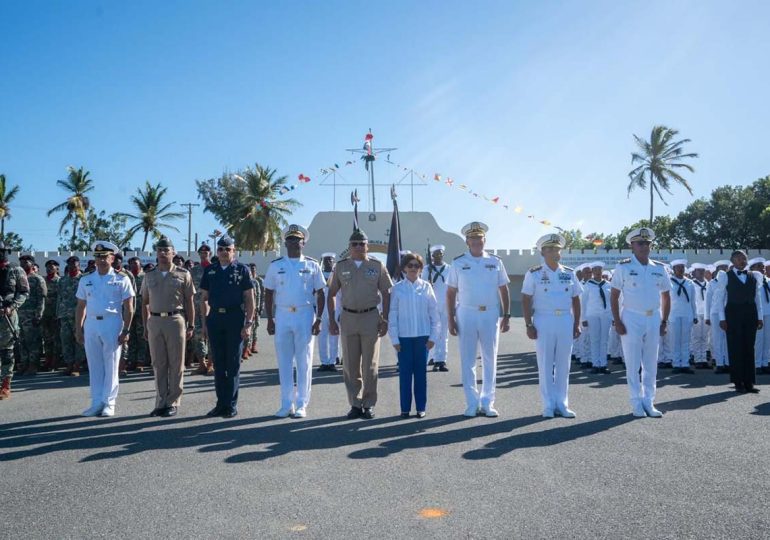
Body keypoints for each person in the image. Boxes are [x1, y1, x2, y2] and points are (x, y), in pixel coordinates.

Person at [447, 221, 511, 418]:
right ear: (467, 241)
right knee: (468, 359)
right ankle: (472, 403)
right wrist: (450, 318)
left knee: (490, 358)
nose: (476, 241)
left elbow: (504, 289)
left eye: (479, 238)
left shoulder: (495, 261)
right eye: (472, 238)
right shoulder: (458, 262)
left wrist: (506, 315)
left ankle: (488, 402)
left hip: (490, 313)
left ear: (485, 240)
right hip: (466, 313)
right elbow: (450, 292)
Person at [327, 228, 393, 420]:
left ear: (367, 245)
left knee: (370, 366)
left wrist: (385, 319)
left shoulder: (376, 265)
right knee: (350, 364)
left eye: (362, 243)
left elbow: (387, 293)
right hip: (348, 319)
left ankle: (369, 404)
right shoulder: (340, 266)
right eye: (354, 244)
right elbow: (331, 293)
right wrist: (332, 319)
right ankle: (355, 404)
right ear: (349, 247)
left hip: (370, 318)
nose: (358, 247)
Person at [263, 225, 325, 418]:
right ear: (285, 242)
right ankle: (286, 403)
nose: (294, 243)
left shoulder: (312, 265)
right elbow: (268, 292)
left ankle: (301, 404)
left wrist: (319, 318)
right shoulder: (276, 265)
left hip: (305, 314)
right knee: (284, 360)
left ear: (303, 243)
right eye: (290, 239)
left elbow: (321, 292)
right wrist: (270, 319)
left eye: (297, 239)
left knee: (304, 361)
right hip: (282, 315)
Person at [610, 227, 672, 418]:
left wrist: (664, 321)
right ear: (632, 246)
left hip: (653, 317)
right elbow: (614, 296)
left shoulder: (659, 268)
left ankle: (649, 401)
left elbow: (666, 296)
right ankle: (636, 402)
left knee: (651, 362)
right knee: (632, 362)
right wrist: (617, 321)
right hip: (631, 317)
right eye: (640, 243)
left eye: (647, 243)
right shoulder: (624, 267)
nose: (644, 246)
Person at [521, 234, 582, 418]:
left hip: (565, 319)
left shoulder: (569, 273)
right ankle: (548, 404)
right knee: (546, 363)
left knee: (564, 364)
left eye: (557, 249)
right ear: (543, 252)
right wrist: (528, 324)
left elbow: (576, 299)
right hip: (544, 319)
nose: (555, 252)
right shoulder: (534, 273)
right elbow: (525, 298)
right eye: (550, 249)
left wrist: (576, 323)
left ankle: (562, 403)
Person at [74, 241, 135, 417]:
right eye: (98, 256)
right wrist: (79, 329)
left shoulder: (121, 278)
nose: (101, 260)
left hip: (112, 322)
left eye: (104, 256)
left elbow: (129, 307)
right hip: (92, 323)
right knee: (94, 365)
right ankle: (96, 401)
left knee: (112, 364)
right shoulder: (86, 279)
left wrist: (126, 330)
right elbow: (80, 306)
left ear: (112, 258)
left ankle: (109, 403)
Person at [199, 236, 255, 418]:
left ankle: (231, 404)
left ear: (234, 250)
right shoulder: (211, 271)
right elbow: (204, 299)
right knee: (218, 362)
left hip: (234, 318)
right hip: (215, 318)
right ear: (217, 251)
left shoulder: (242, 270)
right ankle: (220, 403)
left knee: (232, 364)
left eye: (228, 249)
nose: (224, 252)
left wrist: (248, 323)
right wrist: (205, 323)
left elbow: (249, 298)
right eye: (221, 249)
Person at [141, 237, 195, 417]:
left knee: (176, 363)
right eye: (160, 250)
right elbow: (145, 303)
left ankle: (173, 402)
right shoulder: (149, 275)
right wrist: (145, 326)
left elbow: (189, 301)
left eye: (166, 250)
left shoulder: (183, 274)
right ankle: (160, 402)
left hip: (175, 320)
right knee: (158, 363)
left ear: (173, 253)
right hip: (155, 322)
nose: (163, 254)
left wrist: (191, 324)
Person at [389, 253, 439, 418]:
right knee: (404, 375)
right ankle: (404, 408)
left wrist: (433, 337)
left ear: (420, 269)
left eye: (416, 266)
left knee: (420, 375)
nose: (412, 268)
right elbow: (393, 315)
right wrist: (394, 339)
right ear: (404, 268)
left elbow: (434, 315)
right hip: (404, 339)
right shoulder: (397, 289)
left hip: (422, 338)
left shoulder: (426, 287)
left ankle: (420, 407)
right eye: (409, 265)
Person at [711, 250, 764, 393]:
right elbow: (720, 298)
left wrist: (760, 317)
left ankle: (749, 382)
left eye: (745, 258)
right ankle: (737, 382)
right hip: (733, 314)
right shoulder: (725, 276)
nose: (743, 261)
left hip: (750, 314)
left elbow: (757, 298)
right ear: (733, 261)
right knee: (735, 348)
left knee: (749, 347)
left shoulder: (754, 276)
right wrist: (722, 319)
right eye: (740, 258)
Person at [0, 241, 29, 400]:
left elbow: (24, 292)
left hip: (7, 316)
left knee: (6, 351)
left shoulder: (16, 270)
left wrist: (12, 307)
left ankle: (5, 384)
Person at [422, 245, 451, 372]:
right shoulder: (427, 269)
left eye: (440, 254)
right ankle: (433, 356)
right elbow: (422, 286)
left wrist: (454, 307)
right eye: (435, 255)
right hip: (431, 306)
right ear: (432, 256)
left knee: (443, 334)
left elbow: (454, 288)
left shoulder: (449, 269)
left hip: (445, 305)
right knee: (432, 333)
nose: (438, 257)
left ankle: (441, 360)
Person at [17, 255, 47, 376]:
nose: (23, 264)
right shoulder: (19, 278)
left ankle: (33, 364)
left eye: (26, 262)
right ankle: (24, 363)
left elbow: (41, 299)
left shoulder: (38, 279)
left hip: (31, 315)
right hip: (19, 315)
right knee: (21, 341)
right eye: (21, 262)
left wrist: (38, 315)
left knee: (32, 341)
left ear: (32, 264)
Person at [581, 261, 612, 374]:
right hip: (592, 315)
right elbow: (583, 303)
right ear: (592, 272)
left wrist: (613, 317)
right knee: (594, 339)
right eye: (596, 270)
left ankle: (603, 364)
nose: (598, 272)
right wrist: (583, 318)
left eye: (600, 269)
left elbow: (612, 302)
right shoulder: (587, 285)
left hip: (606, 315)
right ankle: (595, 364)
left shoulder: (608, 285)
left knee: (604, 340)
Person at [58, 255, 86, 376]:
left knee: (79, 340)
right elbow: (60, 298)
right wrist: (57, 314)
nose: (71, 267)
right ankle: (69, 364)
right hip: (64, 315)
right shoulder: (63, 280)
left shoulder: (84, 279)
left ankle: (77, 365)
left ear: (79, 265)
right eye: (69, 265)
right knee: (66, 340)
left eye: (74, 265)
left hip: (79, 316)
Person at [668, 259, 698, 374]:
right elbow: (664, 300)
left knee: (686, 340)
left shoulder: (690, 283)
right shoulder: (669, 282)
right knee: (675, 340)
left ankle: (685, 364)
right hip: (674, 314)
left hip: (687, 314)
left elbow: (693, 301)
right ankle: (676, 363)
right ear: (674, 269)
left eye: (682, 267)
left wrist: (694, 314)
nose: (681, 269)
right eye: (678, 267)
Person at [190, 243, 213, 375]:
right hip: (196, 307)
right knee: (197, 336)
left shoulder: (214, 269)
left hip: (211, 307)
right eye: (202, 253)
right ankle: (201, 364)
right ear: (199, 254)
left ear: (209, 254)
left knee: (211, 335)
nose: (204, 255)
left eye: (206, 253)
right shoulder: (193, 271)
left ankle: (210, 364)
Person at [706, 260, 731, 373]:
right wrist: (707, 316)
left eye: (725, 267)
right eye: (721, 267)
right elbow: (708, 301)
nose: (724, 269)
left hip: (728, 312)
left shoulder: (730, 281)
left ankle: (728, 363)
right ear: (716, 270)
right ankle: (720, 363)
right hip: (715, 313)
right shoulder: (712, 283)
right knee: (717, 338)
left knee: (727, 339)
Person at [317, 253, 340, 371]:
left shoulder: (337, 275)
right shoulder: (318, 275)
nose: (328, 262)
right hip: (321, 312)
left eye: (330, 260)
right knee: (322, 337)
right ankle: (324, 362)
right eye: (326, 260)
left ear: (334, 261)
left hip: (335, 310)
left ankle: (332, 361)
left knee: (334, 336)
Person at [127, 256, 148, 372]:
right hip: (130, 312)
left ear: (140, 265)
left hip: (141, 311)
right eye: (132, 264)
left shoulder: (145, 277)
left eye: (136, 264)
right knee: (131, 337)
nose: (134, 266)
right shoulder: (127, 278)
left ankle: (140, 361)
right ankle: (131, 360)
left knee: (141, 336)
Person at [41, 259, 61, 371]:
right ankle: (47, 361)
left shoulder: (59, 281)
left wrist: (57, 314)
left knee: (55, 340)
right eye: (48, 267)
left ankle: (55, 362)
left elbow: (61, 298)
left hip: (55, 314)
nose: (49, 269)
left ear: (57, 268)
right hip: (44, 314)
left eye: (52, 267)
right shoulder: (43, 280)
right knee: (47, 339)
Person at [690, 263, 710, 369]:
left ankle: (704, 359)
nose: (701, 272)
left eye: (703, 270)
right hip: (696, 313)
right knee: (697, 337)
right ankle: (698, 359)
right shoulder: (691, 284)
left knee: (705, 337)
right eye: (699, 270)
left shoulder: (708, 284)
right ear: (694, 272)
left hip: (706, 313)